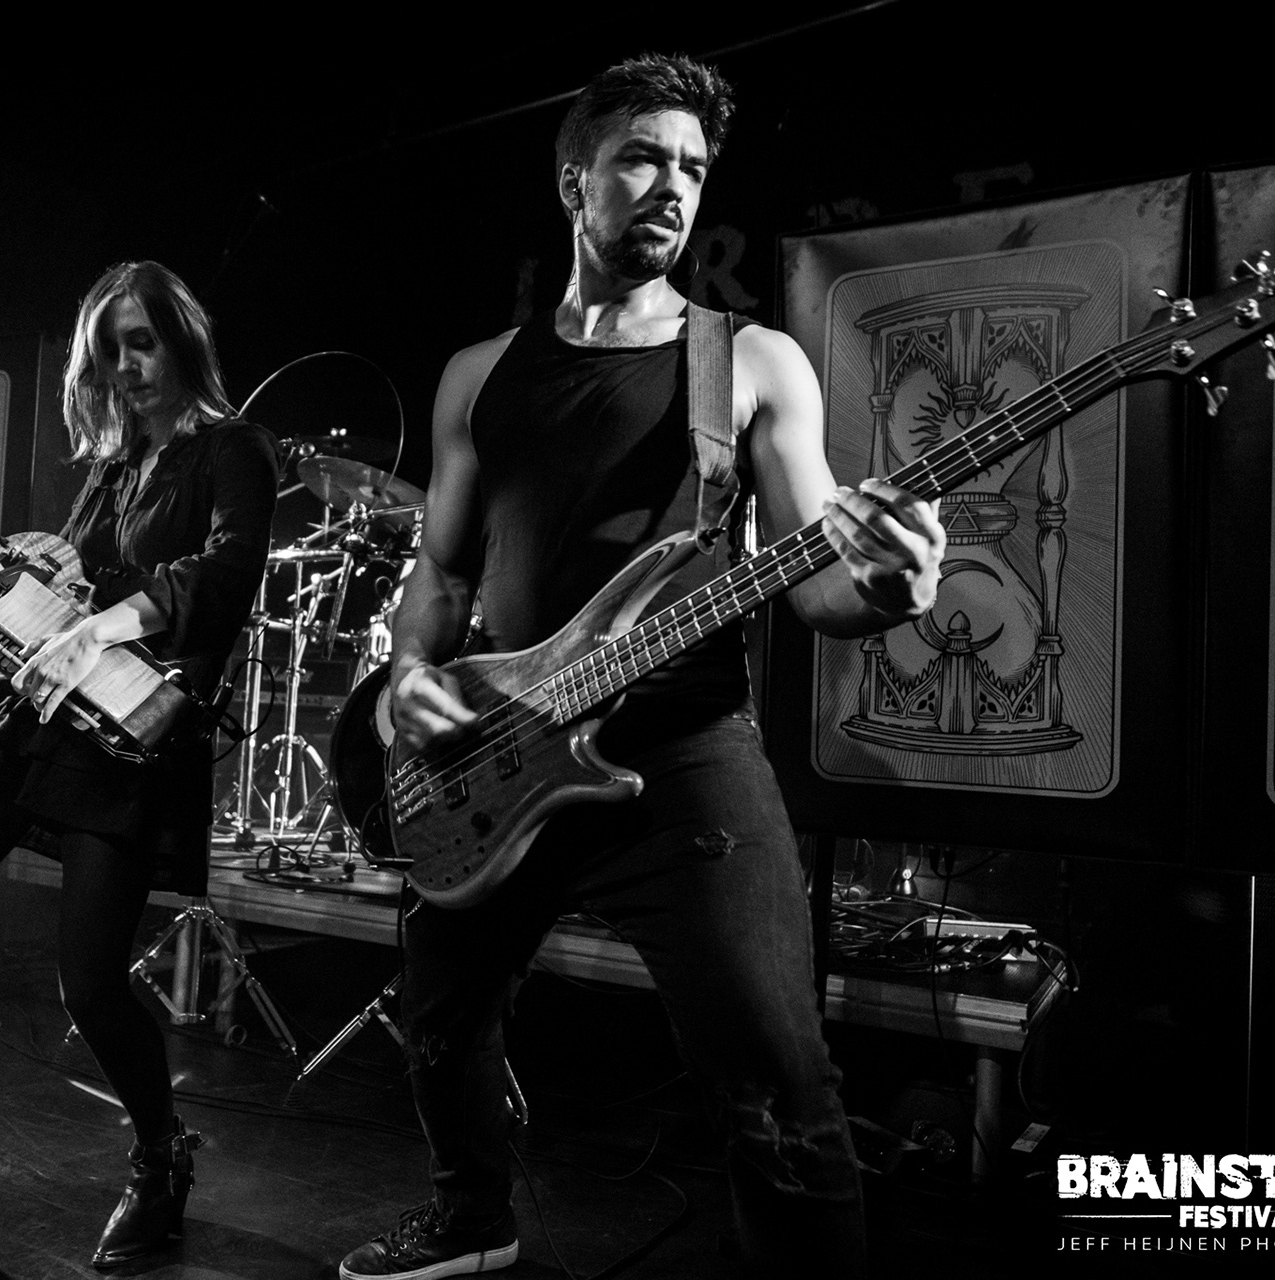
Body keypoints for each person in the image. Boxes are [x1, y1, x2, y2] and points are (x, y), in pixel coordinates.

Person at [338, 55, 946, 1280]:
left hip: (681, 755)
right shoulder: (478, 374)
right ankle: (472, 1216)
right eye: (643, 158)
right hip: (502, 745)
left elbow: (818, 580)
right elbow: (443, 576)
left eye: (693, 167)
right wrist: (406, 668)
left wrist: (893, 585)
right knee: (440, 1018)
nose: (674, 185)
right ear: (575, 181)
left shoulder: (751, 361)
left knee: (777, 1077)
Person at [0, 261, 279, 1269]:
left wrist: (103, 627)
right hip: (39, 717)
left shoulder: (233, 448)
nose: (127, 366)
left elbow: (223, 575)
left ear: (182, 340)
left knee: (90, 985)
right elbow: (62, 592)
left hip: (131, 734)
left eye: (143, 341)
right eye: (110, 350)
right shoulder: (115, 467)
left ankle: (161, 1156)